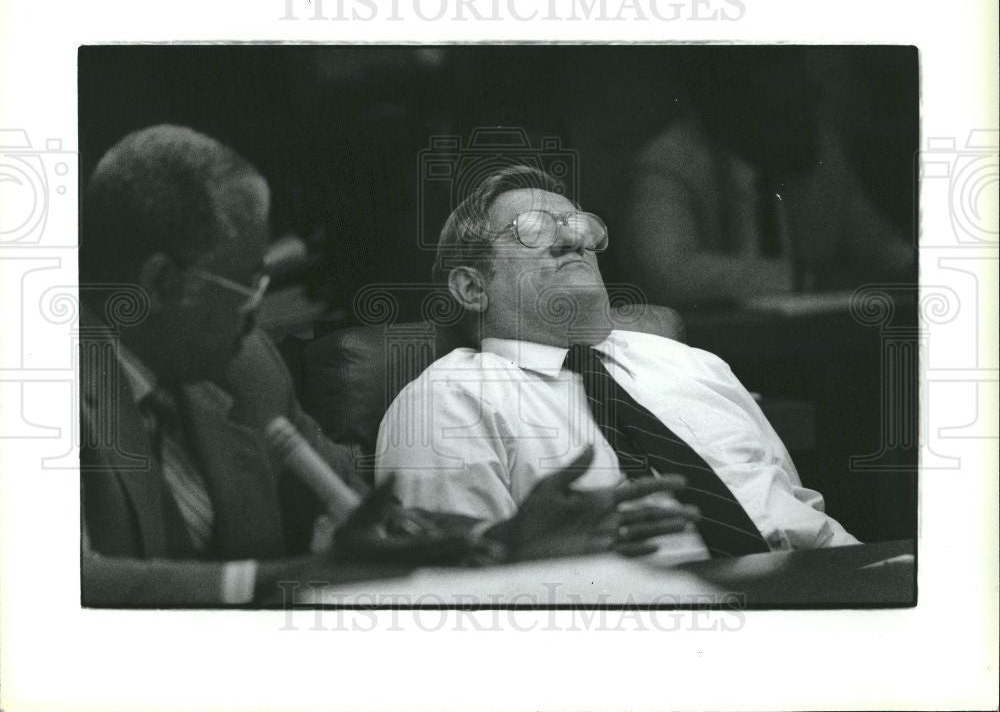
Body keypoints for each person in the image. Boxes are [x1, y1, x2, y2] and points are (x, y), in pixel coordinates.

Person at [79, 125, 690, 606]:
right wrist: (298, 577)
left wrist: (495, 541)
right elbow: (66, 587)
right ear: (160, 282)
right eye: (244, 286)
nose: (255, 317)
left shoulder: (245, 367)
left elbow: (363, 507)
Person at [376, 165, 859, 562]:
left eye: (580, 226)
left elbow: (799, 503)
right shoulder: (446, 400)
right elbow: (457, 589)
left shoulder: (690, 364)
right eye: (534, 230)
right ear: (472, 288)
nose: (573, 241)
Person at [624, 51, 915, 307]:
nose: (804, 122)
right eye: (782, 111)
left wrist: (913, 267)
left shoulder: (818, 148)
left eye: (806, 102)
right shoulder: (668, 160)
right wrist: (806, 278)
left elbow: (878, 246)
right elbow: (667, 275)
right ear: (728, 118)